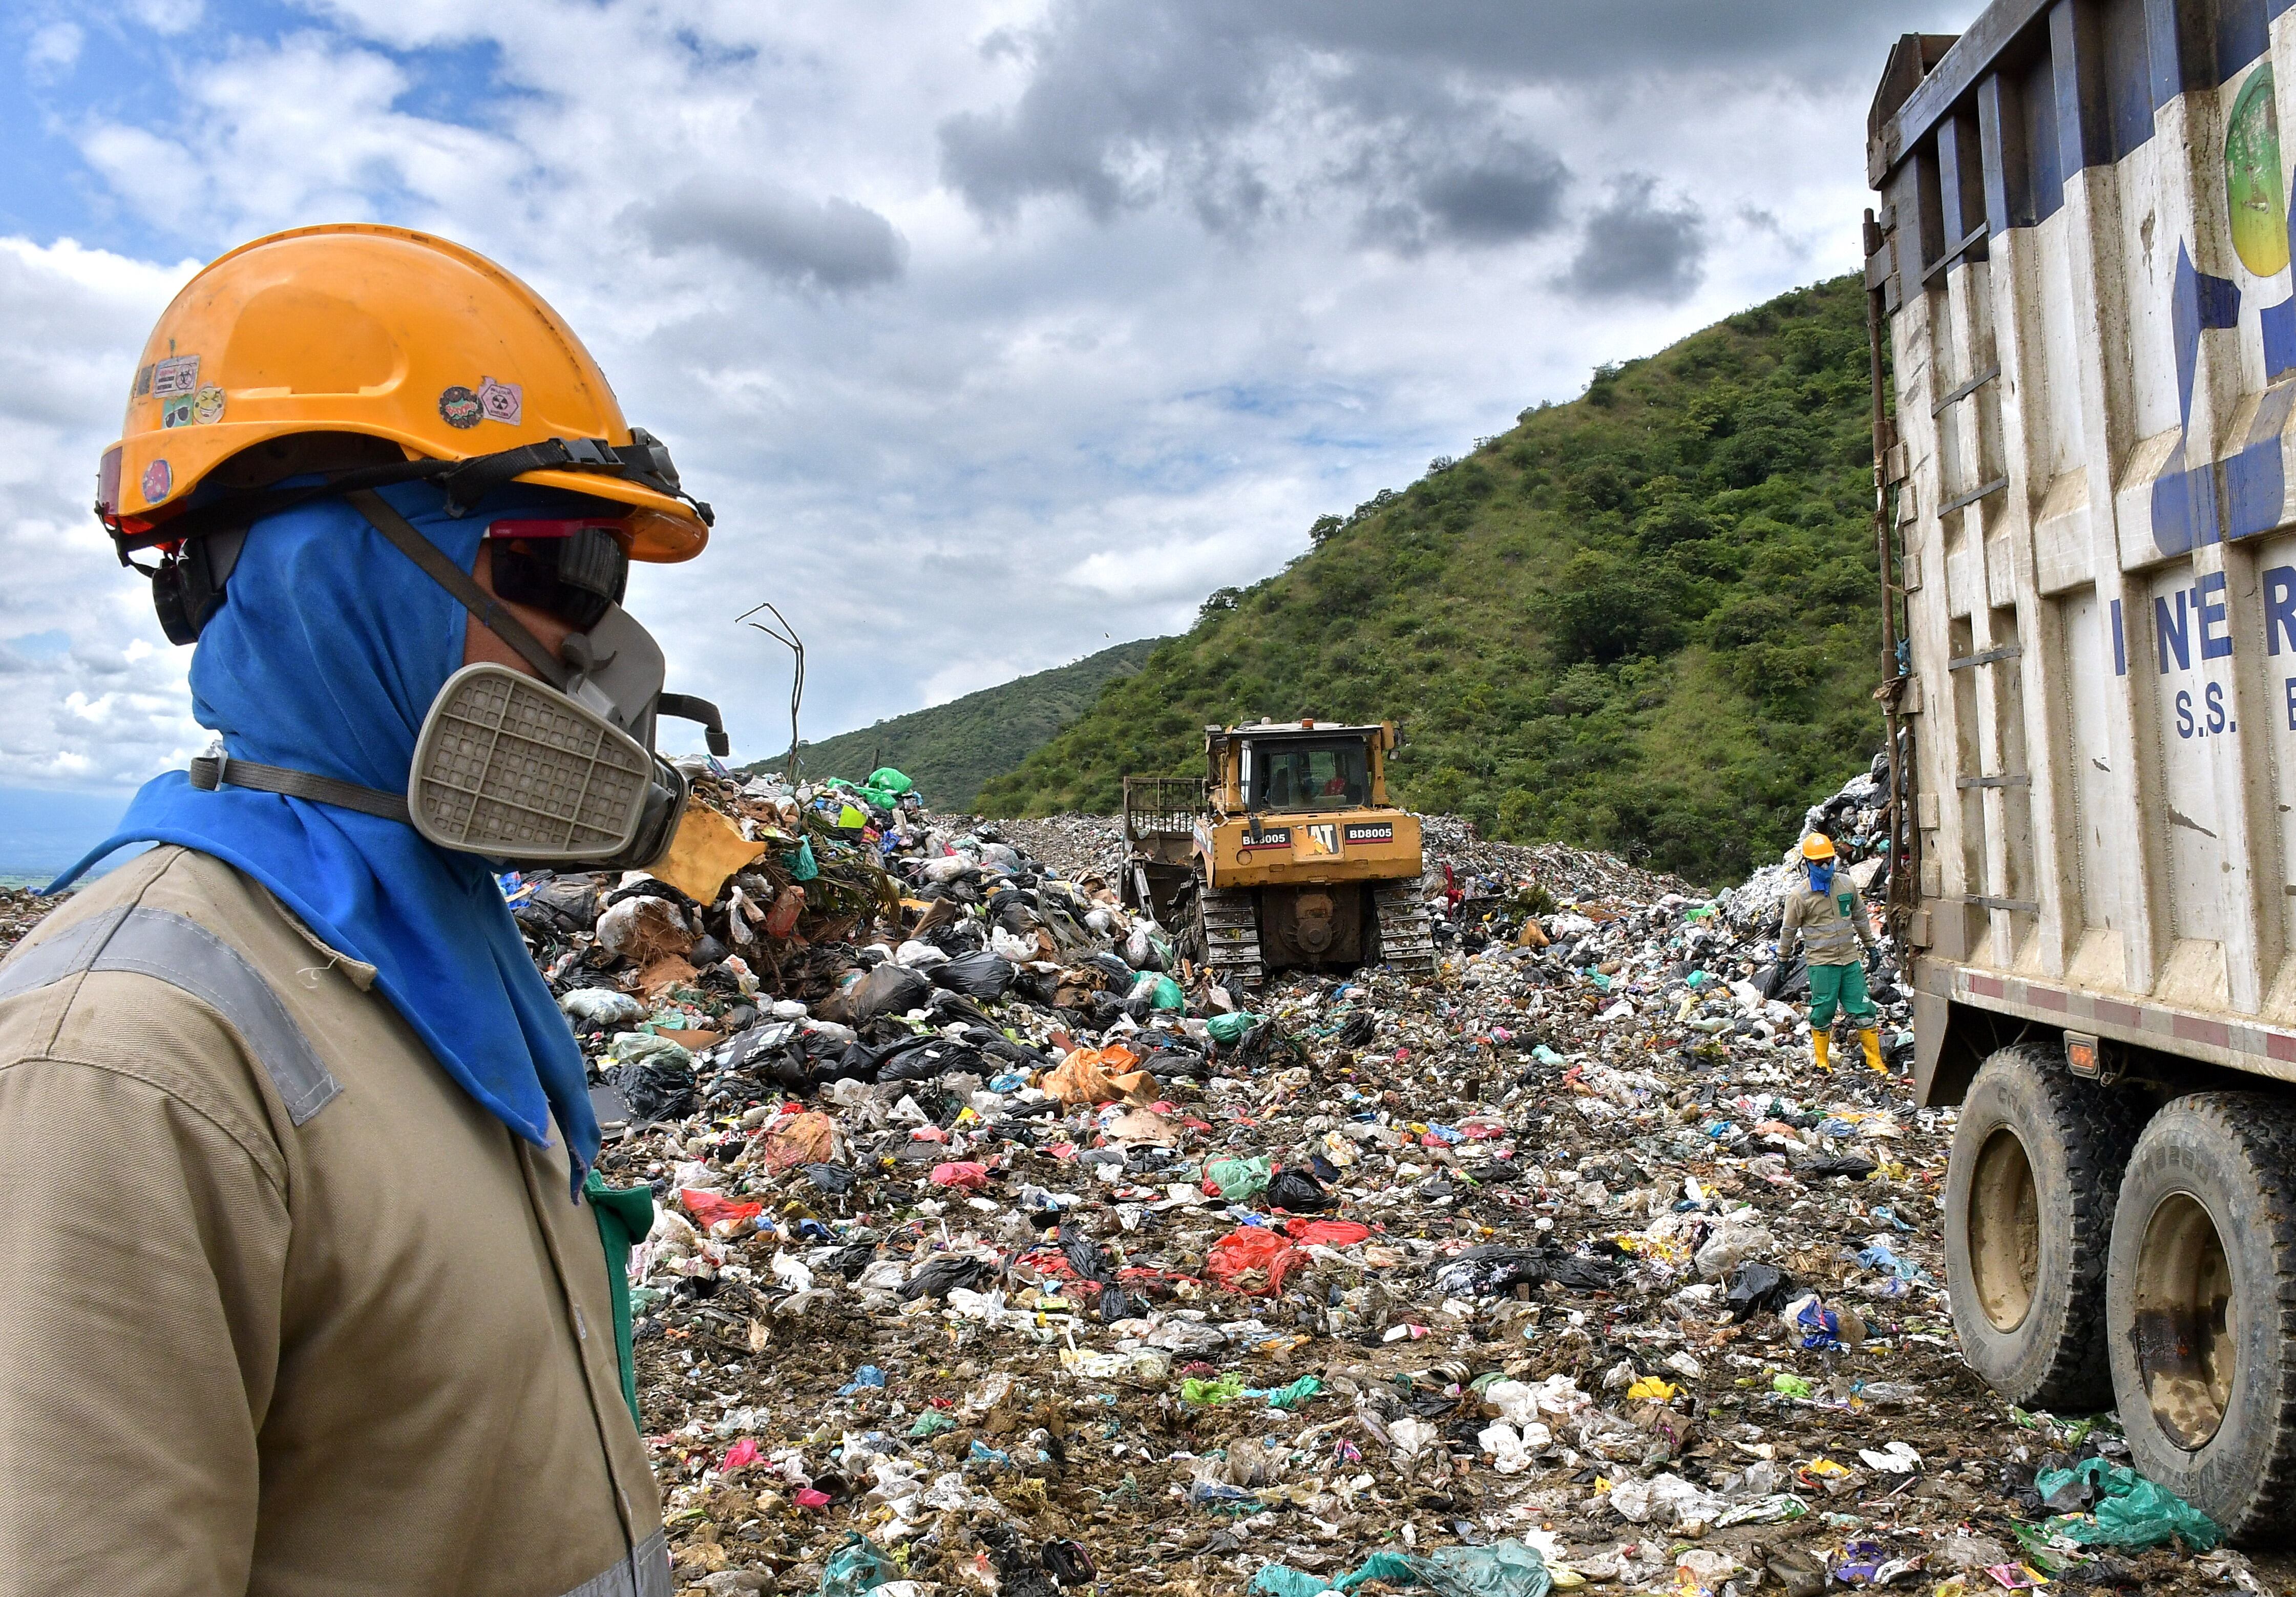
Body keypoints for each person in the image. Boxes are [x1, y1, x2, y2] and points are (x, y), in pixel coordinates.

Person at [0, 224, 725, 1595]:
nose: (597, 643)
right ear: (334, 570)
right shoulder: (124, 1061)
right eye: (560, 563)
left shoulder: (431, 961)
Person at [1777, 832, 1885, 1073]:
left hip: (1849, 960)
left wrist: (1871, 947)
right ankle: (1822, 1061)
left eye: (1829, 861)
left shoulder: (1846, 885)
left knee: (1864, 1008)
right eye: (1819, 863)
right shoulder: (1800, 897)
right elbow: (1788, 930)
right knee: (1823, 1010)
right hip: (1822, 963)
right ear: (1807, 864)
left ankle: (1874, 1059)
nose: (1826, 866)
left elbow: (1860, 918)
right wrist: (1782, 960)